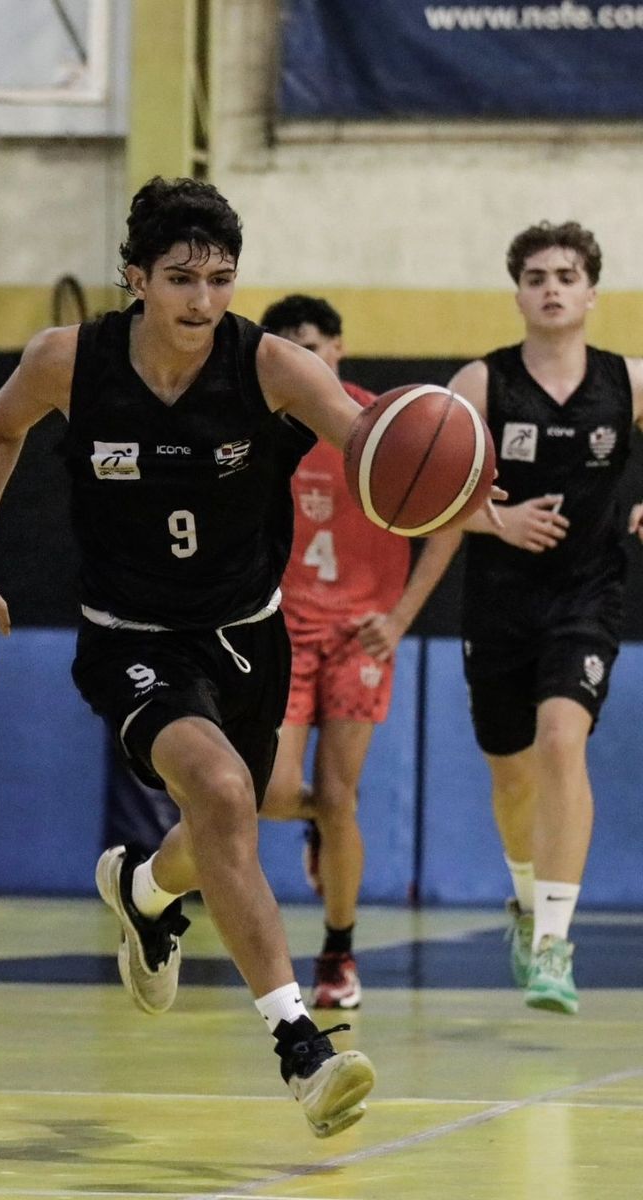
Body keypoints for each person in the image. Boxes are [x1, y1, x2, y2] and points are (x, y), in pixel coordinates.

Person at [0, 177, 380, 1138]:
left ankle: (145, 894)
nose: (202, 300)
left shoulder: (272, 366)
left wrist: (448, 479)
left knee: (220, 826)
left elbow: (371, 448)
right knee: (225, 796)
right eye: (181, 277)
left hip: (249, 634)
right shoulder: (71, 360)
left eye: (221, 279)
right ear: (135, 277)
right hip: (131, 640)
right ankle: (301, 1047)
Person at [445, 221, 643, 1015]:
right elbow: (421, 500)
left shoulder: (625, 380)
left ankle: (556, 942)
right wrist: (499, 521)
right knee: (511, 772)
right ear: (518, 292)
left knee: (563, 742)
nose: (552, 286)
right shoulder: (480, 384)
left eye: (567, 274)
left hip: (587, 593)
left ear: (592, 291)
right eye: (536, 275)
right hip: (498, 601)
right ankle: (527, 903)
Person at [256, 295, 455, 1010]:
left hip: (360, 634)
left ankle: (338, 950)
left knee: (342, 795)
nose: (300, 357)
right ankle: (314, 824)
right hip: (281, 628)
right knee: (272, 792)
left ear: (337, 349)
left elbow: (450, 520)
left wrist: (400, 618)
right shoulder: (258, 429)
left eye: (311, 344)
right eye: (285, 346)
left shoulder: (383, 427)